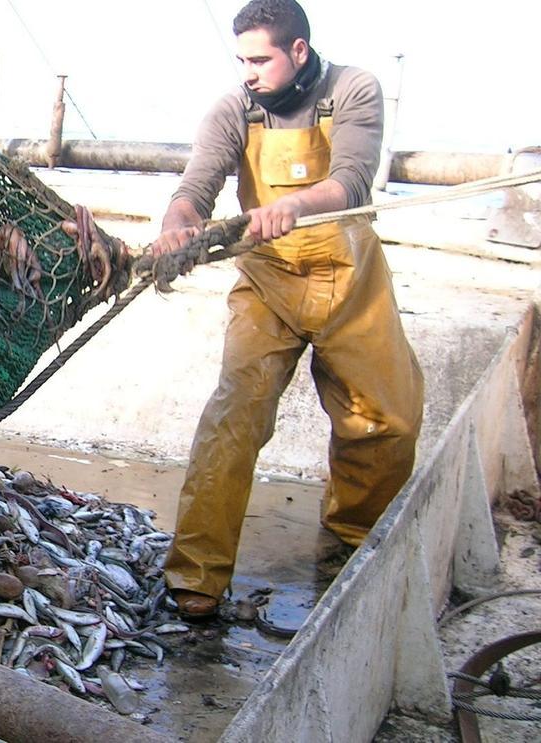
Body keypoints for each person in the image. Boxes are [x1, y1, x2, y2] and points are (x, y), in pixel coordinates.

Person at [153, 0, 424, 619]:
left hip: (349, 278)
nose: (247, 71)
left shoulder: (354, 88)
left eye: (260, 58)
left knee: (388, 420)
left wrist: (294, 205)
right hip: (267, 282)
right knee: (234, 417)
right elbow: (196, 189)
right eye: (241, 58)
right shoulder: (233, 109)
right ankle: (196, 575)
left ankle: (353, 535)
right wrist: (178, 224)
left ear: (298, 51)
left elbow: (353, 180)